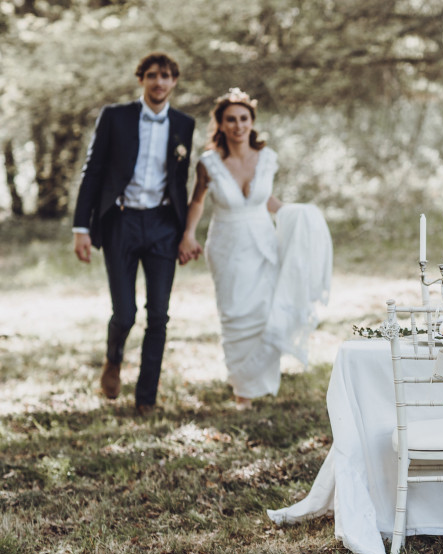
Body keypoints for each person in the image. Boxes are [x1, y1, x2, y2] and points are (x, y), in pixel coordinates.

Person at [178, 88, 332, 408]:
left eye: (243, 119)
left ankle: (262, 382)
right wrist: (188, 235)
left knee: (266, 309)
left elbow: (266, 201)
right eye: (230, 120)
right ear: (220, 124)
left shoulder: (268, 158)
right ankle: (242, 389)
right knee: (236, 314)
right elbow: (197, 202)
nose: (238, 125)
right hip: (227, 245)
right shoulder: (208, 163)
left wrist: (298, 215)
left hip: (263, 243)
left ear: (252, 122)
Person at [73, 52, 196, 416]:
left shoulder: (184, 124)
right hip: (120, 222)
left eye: (167, 76)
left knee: (158, 314)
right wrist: (82, 226)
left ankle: (146, 398)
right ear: (141, 78)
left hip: (162, 225)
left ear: (175, 81)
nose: (160, 82)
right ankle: (113, 361)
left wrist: (186, 231)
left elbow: (181, 182)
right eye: (153, 75)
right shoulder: (115, 117)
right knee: (125, 313)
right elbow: (92, 171)